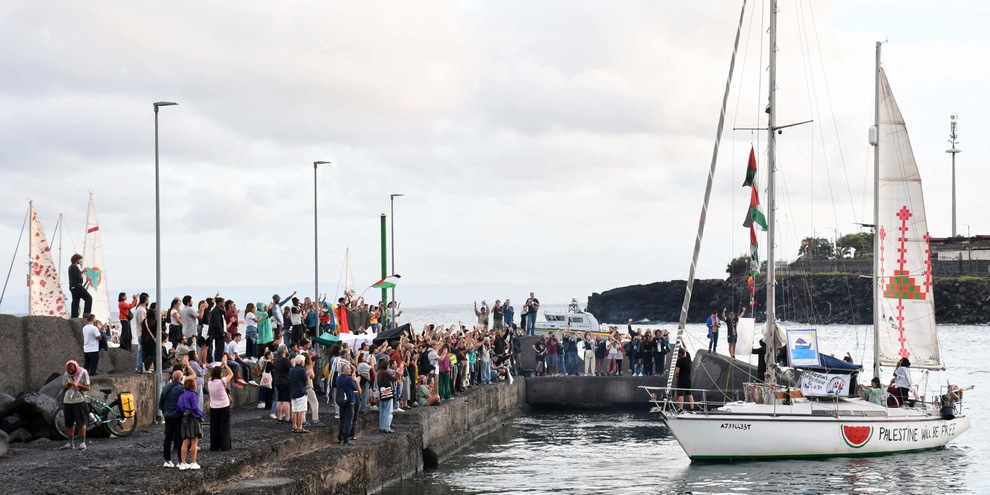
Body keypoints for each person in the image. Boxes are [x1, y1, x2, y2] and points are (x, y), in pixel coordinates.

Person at [59, 360, 90, 450]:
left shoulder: (83, 373)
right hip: (68, 401)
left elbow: (88, 387)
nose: (70, 372)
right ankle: (70, 443)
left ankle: (82, 443)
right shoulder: (66, 374)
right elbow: (64, 389)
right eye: (69, 370)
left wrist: (78, 385)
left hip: (79, 401)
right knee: (69, 423)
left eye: (72, 370)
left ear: (76, 367)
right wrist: (67, 385)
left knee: (81, 422)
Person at [176, 376, 205, 470]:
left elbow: (179, 408)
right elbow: (195, 407)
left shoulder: (182, 395)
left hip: (184, 417)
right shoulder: (193, 395)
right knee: (194, 441)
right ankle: (193, 462)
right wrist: (202, 414)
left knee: (185, 441)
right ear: (194, 385)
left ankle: (183, 463)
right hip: (193, 417)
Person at [159, 369, 185, 468]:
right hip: (178, 416)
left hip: (168, 415)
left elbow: (160, 403)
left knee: (168, 437)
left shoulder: (166, 388)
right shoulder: (181, 389)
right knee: (179, 438)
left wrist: (165, 411)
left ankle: (167, 460)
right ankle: (180, 461)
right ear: (181, 378)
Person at [207, 356, 234, 451]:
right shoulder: (222, 381)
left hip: (213, 406)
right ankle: (225, 445)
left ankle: (214, 445)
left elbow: (217, 371)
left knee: (214, 427)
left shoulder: (209, 381)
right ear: (220, 374)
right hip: (224, 406)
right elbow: (231, 373)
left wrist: (221, 364)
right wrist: (225, 364)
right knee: (224, 426)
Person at [335, 362, 359, 445]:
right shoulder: (349, 379)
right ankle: (346, 439)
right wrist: (355, 381)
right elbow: (355, 388)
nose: (350, 370)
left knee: (342, 419)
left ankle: (340, 437)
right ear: (344, 370)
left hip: (342, 400)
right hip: (350, 401)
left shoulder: (338, 378)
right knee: (349, 419)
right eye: (348, 369)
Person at [67, 254, 92, 319]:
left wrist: (83, 271)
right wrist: (84, 272)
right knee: (88, 298)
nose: (80, 261)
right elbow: (79, 276)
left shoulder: (71, 267)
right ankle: (86, 315)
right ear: (77, 259)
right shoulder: (75, 267)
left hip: (72, 286)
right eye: (80, 259)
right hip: (77, 286)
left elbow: (77, 275)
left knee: (75, 301)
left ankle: (74, 316)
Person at [289, 354, 309, 433]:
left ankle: (294, 426)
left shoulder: (291, 369)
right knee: (301, 410)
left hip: (293, 391)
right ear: (301, 362)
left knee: (294, 410)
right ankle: (300, 427)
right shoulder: (302, 370)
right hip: (301, 391)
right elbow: (307, 382)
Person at [675, 347, 694, 411]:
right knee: (689, 394)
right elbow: (686, 348)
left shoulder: (679, 360)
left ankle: (681, 409)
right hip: (688, 379)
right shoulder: (688, 358)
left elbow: (677, 371)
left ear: (680, 354)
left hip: (681, 379)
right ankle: (692, 409)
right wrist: (682, 340)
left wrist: (677, 376)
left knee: (680, 394)